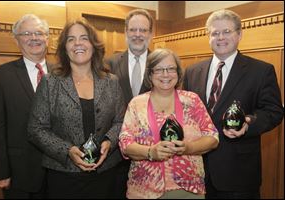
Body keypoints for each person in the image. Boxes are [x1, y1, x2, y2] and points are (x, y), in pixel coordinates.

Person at [183, 9, 284, 199]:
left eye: (227, 32)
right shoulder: (192, 72)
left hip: (238, 175)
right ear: (208, 36)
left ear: (239, 34)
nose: (220, 37)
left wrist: (248, 124)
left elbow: (274, 111)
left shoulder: (261, 71)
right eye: (215, 33)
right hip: (196, 172)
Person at [27, 19, 125, 199]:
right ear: (65, 48)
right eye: (71, 39)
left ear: (94, 45)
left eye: (84, 38)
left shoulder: (111, 81)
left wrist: (109, 142)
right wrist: (67, 150)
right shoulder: (50, 82)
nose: (78, 43)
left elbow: (120, 122)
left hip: (106, 175)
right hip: (64, 177)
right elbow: (36, 129)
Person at [119, 48, 219, 199]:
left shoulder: (192, 100)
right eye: (159, 69)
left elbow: (212, 137)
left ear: (178, 72)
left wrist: (189, 147)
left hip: (188, 189)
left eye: (171, 68)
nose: (165, 74)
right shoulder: (136, 104)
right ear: (150, 74)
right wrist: (150, 152)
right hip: (144, 190)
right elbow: (125, 144)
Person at [0, 14, 49, 198]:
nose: (34, 38)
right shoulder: (0, 76)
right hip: (19, 174)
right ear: (16, 40)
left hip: (59, 173)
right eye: (26, 33)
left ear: (47, 38)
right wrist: (0, 172)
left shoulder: (63, 74)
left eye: (39, 33)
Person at [106, 8, 154, 198]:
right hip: (115, 152)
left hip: (150, 150)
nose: (138, 35)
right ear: (126, 32)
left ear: (150, 33)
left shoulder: (160, 62)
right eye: (133, 30)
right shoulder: (108, 63)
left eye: (143, 30)